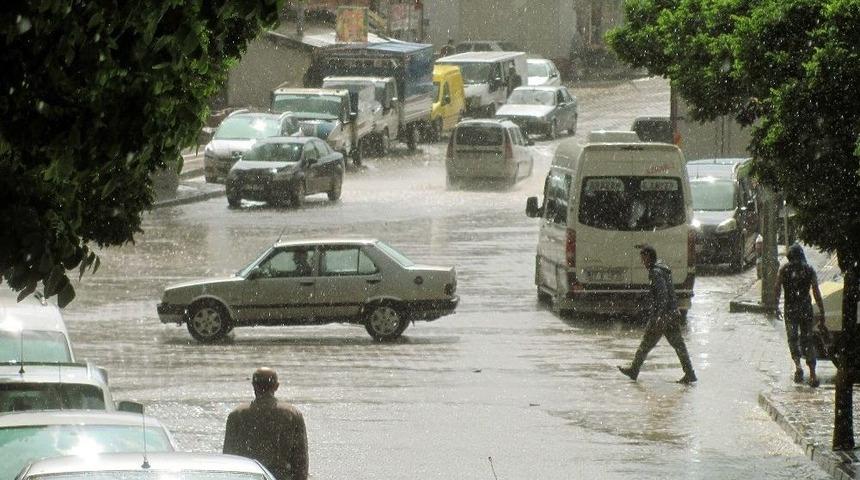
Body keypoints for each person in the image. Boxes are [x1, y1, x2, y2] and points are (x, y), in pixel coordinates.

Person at [618, 245, 697, 384]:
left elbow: (662, 295)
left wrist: (658, 315)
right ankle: (689, 372)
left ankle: (634, 370)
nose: (642, 262)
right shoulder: (662, 268)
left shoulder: (655, 272)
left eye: (643, 258)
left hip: (663, 316)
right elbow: (665, 293)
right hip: (671, 313)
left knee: (646, 343)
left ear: (649, 257)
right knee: (678, 345)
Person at [224, 367, 308, 480]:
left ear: (254, 385)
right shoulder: (292, 414)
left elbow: (228, 456)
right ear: (277, 386)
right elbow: (301, 459)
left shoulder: (237, 415)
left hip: (247, 476)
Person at [773, 243, 825, 387]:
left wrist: (776, 306)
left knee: (792, 339)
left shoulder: (785, 270)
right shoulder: (808, 270)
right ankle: (813, 374)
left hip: (790, 310)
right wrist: (821, 311)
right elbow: (816, 292)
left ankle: (798, 367)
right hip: (806, 310)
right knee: (808, 340)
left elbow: (777, 288)